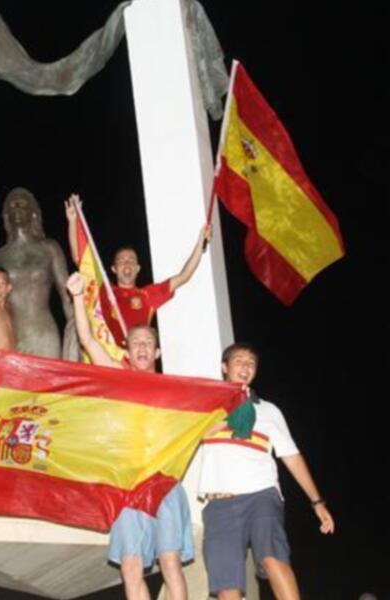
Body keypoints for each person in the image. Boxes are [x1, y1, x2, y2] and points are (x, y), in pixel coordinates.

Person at [67, 272, 193, 600]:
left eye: (147, 342)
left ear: (157, 352)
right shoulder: (119, 377)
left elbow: (205, 418)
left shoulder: (176, 389)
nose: (141, 347)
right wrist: (78, 297)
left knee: (170, 561)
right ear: (127, 349)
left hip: (163, 480)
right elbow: (88, 340)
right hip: (128, 482)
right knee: (131, 566)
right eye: (135, 342)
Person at [198, 343, 335, 600]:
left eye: (251, 363)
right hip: (220, 502)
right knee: (227, 586)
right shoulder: (206, 406)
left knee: (273, 558)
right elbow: (183, 435)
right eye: (239, 361)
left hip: (261, 494)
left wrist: (317, 502)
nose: (246, 366)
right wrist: (220, 418)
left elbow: (292, 457)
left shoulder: (269, 411)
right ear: (224, 367)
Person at [65, 193, 211, 337]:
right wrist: (72, 221)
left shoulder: (147, 296)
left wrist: (200, 242)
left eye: (131, 260)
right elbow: (80, 259)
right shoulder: (104, 289)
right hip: (105, 352)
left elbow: (183, 276)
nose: (127, 263)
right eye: (121, 261)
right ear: (114, 269)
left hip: (137, 352)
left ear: (137, 269)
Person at [0, 187, 75, 359]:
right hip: (9, 335)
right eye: (12, 205)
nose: (17, 208)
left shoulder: (49, 249)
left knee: (46, 377)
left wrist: (77, 329)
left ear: (34, 213)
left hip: (43, 334)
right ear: (6, 214)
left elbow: (66, 296)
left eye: (22, 204)